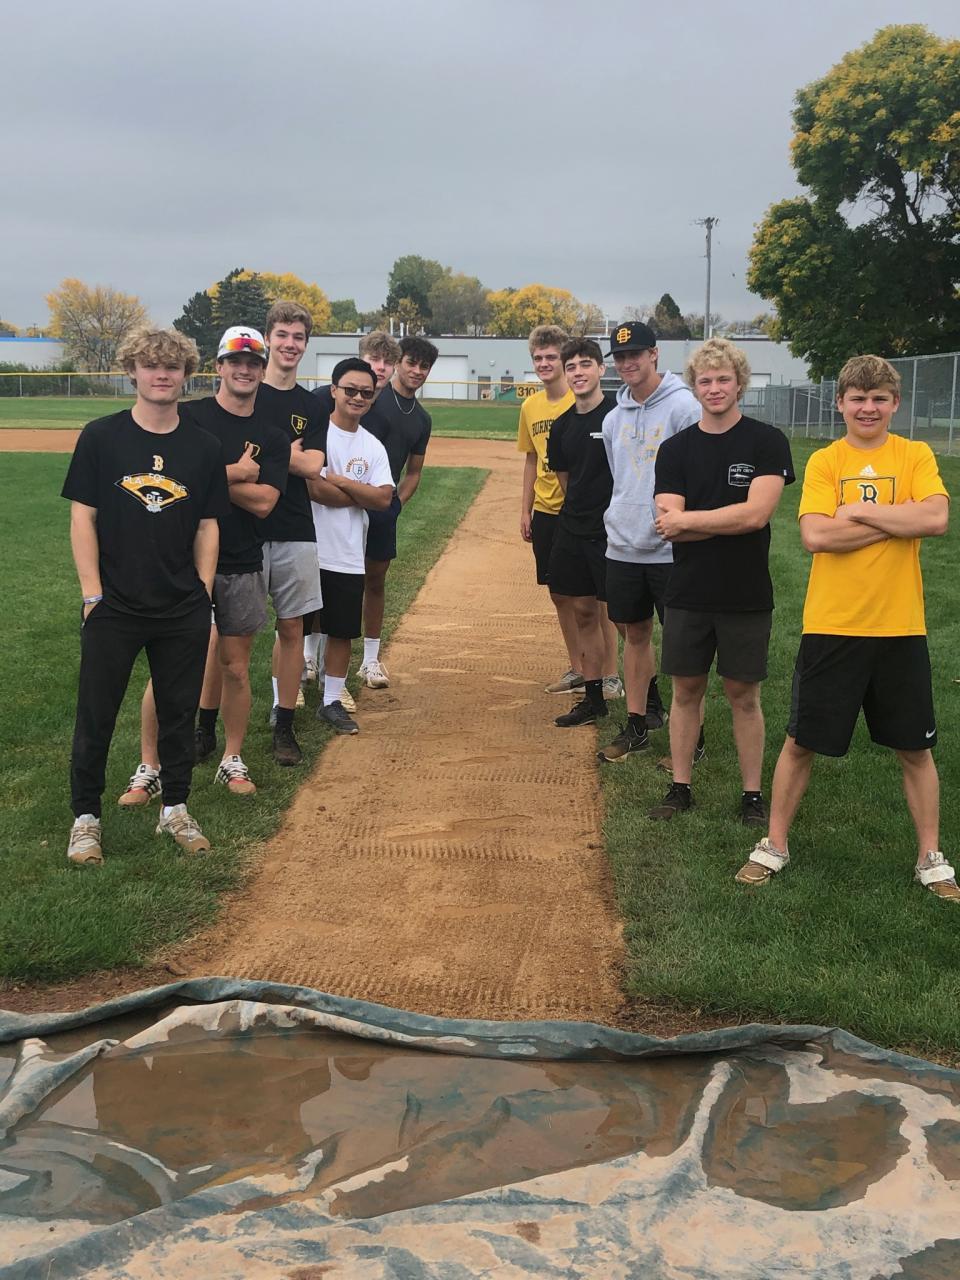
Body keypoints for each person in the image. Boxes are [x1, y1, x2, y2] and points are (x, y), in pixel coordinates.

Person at [736, 354, 956, 899]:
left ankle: (930, 856)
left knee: (915, 749)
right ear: (840, 403)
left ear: (895, 403)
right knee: (801, 742)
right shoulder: (826, 461)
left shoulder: (915, 454)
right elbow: (816, 536)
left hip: (900, 628)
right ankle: (774, 844)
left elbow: (935, 519)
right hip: (833, 625)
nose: (868, 408)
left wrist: (855, 513)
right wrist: (898, 519)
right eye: (858, 398)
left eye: (879, 398)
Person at [62, 327, 228, 865]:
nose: (162, 374)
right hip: (115, 604)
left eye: (172, 366)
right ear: (132, 370)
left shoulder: (204, 446)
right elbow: (83, 518)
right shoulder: (101, 437)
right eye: (151, 364)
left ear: (186, 375)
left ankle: (175, 808)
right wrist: (93, 594)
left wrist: (202, 594)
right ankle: (86, 820)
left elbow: (208, 525)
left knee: (179, 715)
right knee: (96, 716)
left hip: (181, 606)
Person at [118, 326, 290, 800]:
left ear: (263, 370)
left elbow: (264, 504)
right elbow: (166, 479)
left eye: (253, 362)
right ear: (219, 367)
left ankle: (232, 759)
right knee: (166, 667)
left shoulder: (272, 436)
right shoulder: (188, 417)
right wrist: (234, 473)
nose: (244, 369)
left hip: (241, 561)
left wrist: (205, 479)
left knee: (236, 666)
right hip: (180, 559)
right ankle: (149, 766)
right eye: (236, 361)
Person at [651, 338, 794, 823]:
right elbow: (667, 522)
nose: (714, 388)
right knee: (685, 692)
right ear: (694, 387)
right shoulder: (675, 449)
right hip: (688, 591)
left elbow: (756, 516)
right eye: (706, 381)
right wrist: (719, 519)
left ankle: (752, 795)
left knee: (743, 696)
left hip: (745, 593)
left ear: (739, 384)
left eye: (723, 380)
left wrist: (693, 520)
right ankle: (680, 787)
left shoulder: (766, 441)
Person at [598, 321, 701, 761]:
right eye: (620, 357)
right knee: (635, 636)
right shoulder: (612, 418)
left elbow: (698, 473)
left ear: (654, 354)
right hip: (624, 545)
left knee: (682, 645)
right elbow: (620, 478)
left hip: (671, 548)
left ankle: (692, 737)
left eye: (635, 354)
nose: (627, 363)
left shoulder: (684, 408)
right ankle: (638, 725)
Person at [255, 300, 327, 763]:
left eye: (298, 337)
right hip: (245, 526)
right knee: (227, 633)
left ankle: (284, 721)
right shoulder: (246, 388)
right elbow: (228, 455)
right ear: (268, 338)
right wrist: (290, 455)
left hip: (296, 526)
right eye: (282, 334)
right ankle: (204, 723)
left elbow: (314, 466)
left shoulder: (311, 404)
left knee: (292, 626)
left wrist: (264, 454)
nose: (290, 344)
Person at [307, 358, 394, 734]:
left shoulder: (372, 446)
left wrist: (340, 481)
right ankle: (284, 700)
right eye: (350, 390)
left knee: (342, 629)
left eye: (366, 393)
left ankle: (331, 702)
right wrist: (360, 492)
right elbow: (314, 489)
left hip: (347, 551)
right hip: (309, 545)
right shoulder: (316, 435)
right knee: (294, 627)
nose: (358, 397)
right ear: (334, 391)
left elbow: (384, 498)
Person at [356, 335, 438, 689]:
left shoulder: (422, 418)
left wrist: (395, 505)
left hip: (382, 507)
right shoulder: (371, 398)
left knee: (375, 581)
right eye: (411, 363)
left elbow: (414, 472)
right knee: (334, 582)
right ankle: (311, 656)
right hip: (345, 500)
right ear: (398, 363)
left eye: (424, 366)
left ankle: (370, 660)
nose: (416, 371)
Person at [545, 338, 618, 727]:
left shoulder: (619, 415)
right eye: (571, 366)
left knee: (628, 620)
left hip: (614, 533)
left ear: (601, 369)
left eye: (585, 364)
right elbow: (566, 481)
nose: (578, 372)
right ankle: (593, 700)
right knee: (584, 612)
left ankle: (649, 703)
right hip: (574, 530)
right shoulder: (562, 426)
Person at [516, 325, 581, 691]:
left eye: (551, 357)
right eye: (538, 358)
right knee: (558, 593)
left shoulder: (579, 399)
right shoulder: (530, 406)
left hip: (579, 510)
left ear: (564, 359)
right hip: (545, 510)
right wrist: (525, 510)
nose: (543, 363)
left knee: (591, 598)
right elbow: (531, 458)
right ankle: (578, 668)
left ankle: (607, 673)